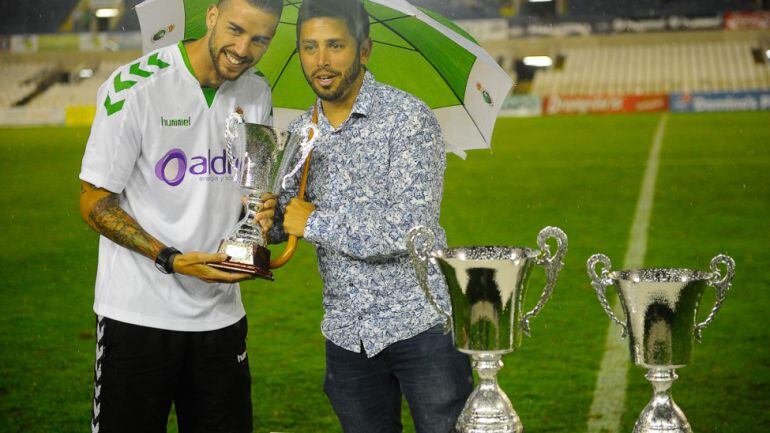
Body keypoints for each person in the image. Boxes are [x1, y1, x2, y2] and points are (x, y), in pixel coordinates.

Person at [78, 0, 281, 431]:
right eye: (235, 30)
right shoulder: (133, 86)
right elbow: (93, 201)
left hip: (221, 318)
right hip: (137, 316)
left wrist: (263, 213)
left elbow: (251, 194)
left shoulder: (257, 91)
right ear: (211, 16)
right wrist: (170, 258)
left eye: (260, 38)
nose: (244, 48)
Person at [270, 0, 473, 431]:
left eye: (334, 45)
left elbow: (408, 230)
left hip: (420, 325)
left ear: (364, 50)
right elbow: (283, 217)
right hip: (346, 334)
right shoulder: (300, 132)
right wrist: (261, 212)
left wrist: (314, 222)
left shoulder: (408, 118)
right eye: (309, 47)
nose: (320, 61)